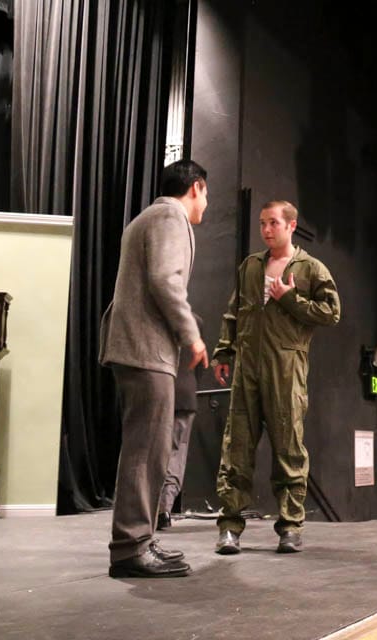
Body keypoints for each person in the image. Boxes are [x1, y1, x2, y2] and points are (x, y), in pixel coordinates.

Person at [99, 159, 209, 578]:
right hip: (146, 350)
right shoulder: (169, 215)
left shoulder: (147, 217)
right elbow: (166, 280)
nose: (206, 204)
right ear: (196, 187)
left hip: (136, 348)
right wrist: (191, 336)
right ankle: (130, 546)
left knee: (150, 448)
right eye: (206, 195)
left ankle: (139, 539)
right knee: (146, 450)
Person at [211, 200, 340, 554]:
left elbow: (331, 312)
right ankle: (230, 527)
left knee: (289, 449)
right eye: (262, 224)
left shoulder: (311, 268)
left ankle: (290, 527)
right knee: (236, 448)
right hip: (247, 369)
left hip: (286, 369)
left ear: (291, 225)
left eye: (273, 223)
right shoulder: (250, 267)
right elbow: (234, 312)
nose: (266, 230)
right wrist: (224, 351)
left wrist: (290, 298)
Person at [156, 313, 204, 531]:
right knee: (176, 453)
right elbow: (200, 364)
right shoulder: (196, 322)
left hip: (159, 392)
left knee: (153, 452)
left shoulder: (156, 319)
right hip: (185, 395)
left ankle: (150, 509)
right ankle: (164, 510)